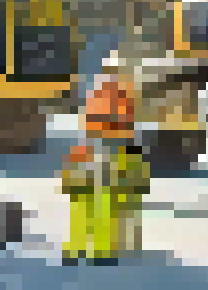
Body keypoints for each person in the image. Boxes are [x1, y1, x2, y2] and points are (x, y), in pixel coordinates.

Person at [63, 73, 152, 265]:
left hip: (109, 161)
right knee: (86, 202)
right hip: (96, 159)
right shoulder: (105, 114)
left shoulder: (120, 122)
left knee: (102, 205)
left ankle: (99, 246)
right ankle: (83, 244)